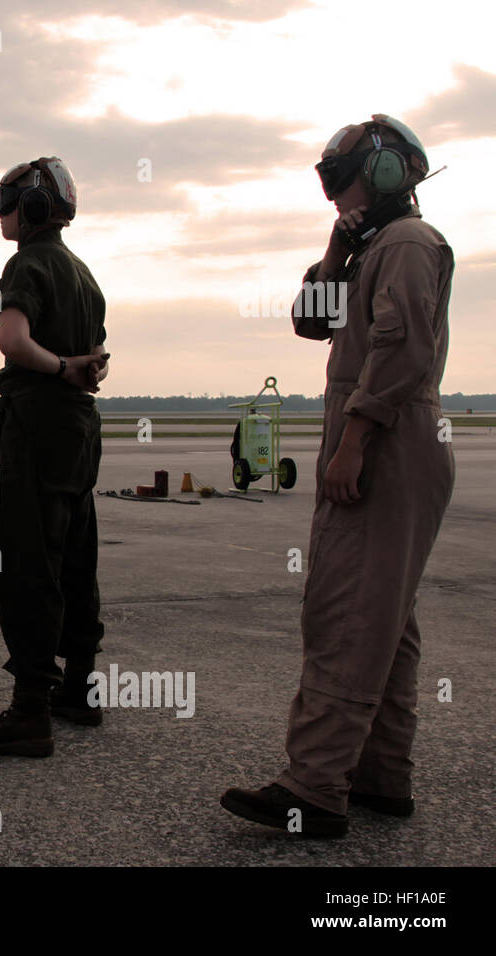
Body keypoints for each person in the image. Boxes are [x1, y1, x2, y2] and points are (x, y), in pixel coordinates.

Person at [222, 115, 455, 837]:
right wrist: (337, 248)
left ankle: (314, 788)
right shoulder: (375, 247)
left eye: (340, 178)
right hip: (386, 434)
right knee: (386, 618)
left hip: (384, 437)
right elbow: (309, 320)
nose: (333, 195)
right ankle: (383, 776)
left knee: (347, 611)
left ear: (386, 172)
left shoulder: (411, 243)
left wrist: (353, 441)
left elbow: (401, 347)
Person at [0, 157, 110, 758]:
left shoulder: (28, 263)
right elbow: (97, 355)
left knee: (26, 564)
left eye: (9, 198)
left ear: (37, 207)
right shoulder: (83, 273)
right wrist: (77, 366)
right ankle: (79, 690)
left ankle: (29, 712)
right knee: (75, 557)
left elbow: (13, 341)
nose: (2, 210)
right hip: (78, 434)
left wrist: (60, 368)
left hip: (39, 427)